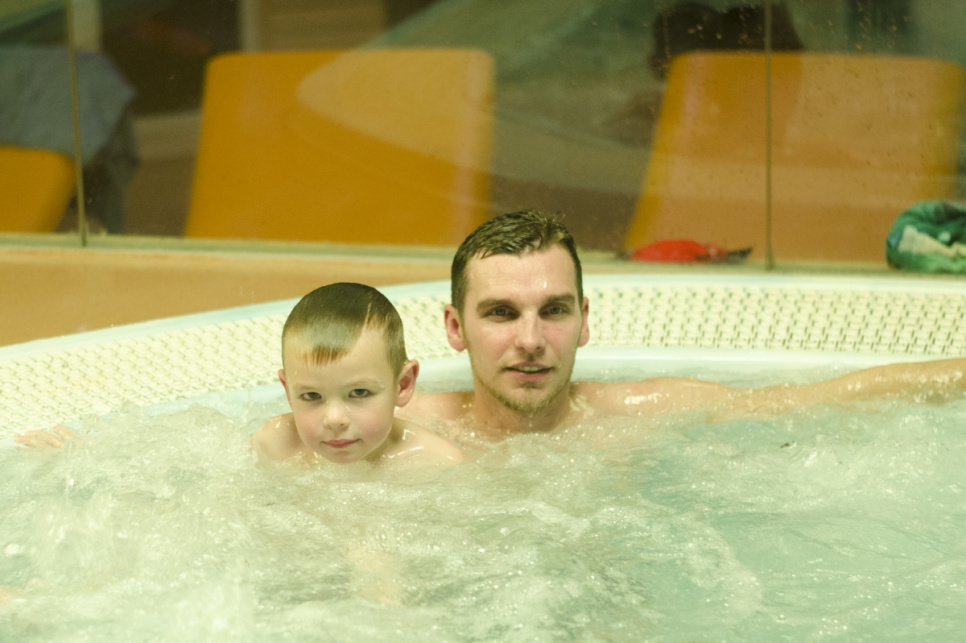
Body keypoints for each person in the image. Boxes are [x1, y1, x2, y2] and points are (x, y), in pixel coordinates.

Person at [396, 209, 966, 441]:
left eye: (554, 310)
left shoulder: (640, 415)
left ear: (584, 320)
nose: (530, 340)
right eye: (501, 313)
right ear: (454, 327)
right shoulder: (397, 426)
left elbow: (822, 397)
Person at [252, 282, 463, 466]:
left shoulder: (434, 462)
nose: (334, 419)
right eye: (312, 395)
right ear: (288, 391)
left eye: (359, 392)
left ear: (402, 385)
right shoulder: (275, 445)